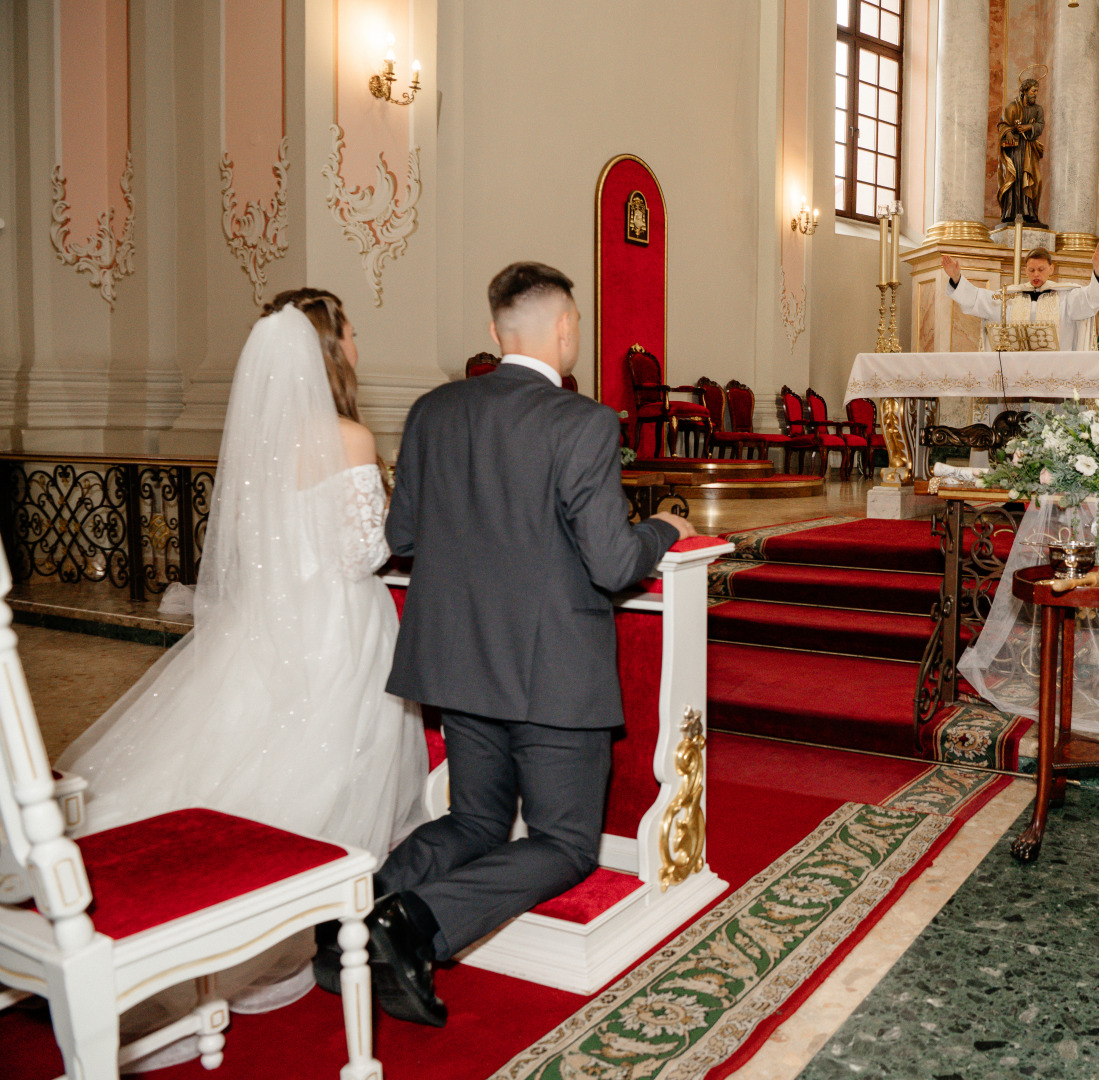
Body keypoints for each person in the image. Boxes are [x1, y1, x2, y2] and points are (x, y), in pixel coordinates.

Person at [56, 289, 430, 1065]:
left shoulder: (260, 444)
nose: (358, 345)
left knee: (247, 747)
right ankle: (305, 900)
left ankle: (181, 901)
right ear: (328, 351)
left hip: (267, 621)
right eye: (352, 334)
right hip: (337, 625)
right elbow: (366, 554)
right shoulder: (349, 437)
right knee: (336, 765)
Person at [351, 261, 695, 1027]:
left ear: (495, 331)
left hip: (460, 658)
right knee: (565, 842)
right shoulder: (582, 422)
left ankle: (350, 910)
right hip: (550, 672)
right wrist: (664, 528)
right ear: (566, 329)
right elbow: (611, 563)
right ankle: (413, 921)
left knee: (474, 821)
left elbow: (401, 536)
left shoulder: (433, 411)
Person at [940, 244, 1099, 353]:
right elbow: (978, 299)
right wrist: (956, 278)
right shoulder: (1011, 297)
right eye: (1031, 270)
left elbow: (1090, 300)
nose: (1036, 274)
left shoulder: (1065, 296)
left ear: (1051, 269)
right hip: (1017, 368)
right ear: (1025, 270)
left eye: (1041, 269)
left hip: (1055, 371)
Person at [997, 78, 1045, 225]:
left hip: (1029, 149)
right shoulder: (1012, 107)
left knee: (1034, 180)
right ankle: (1011, 212)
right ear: (1025, 91)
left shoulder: (1038, 109)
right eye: (1033, 91)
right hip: (1015, 150)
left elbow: (1040, 125)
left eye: (1037, 91)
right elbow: (1002, 125)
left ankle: (1029, 211)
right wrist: (1009, 133)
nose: (1036, 94)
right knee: (1015, 178)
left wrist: (1028, 127)